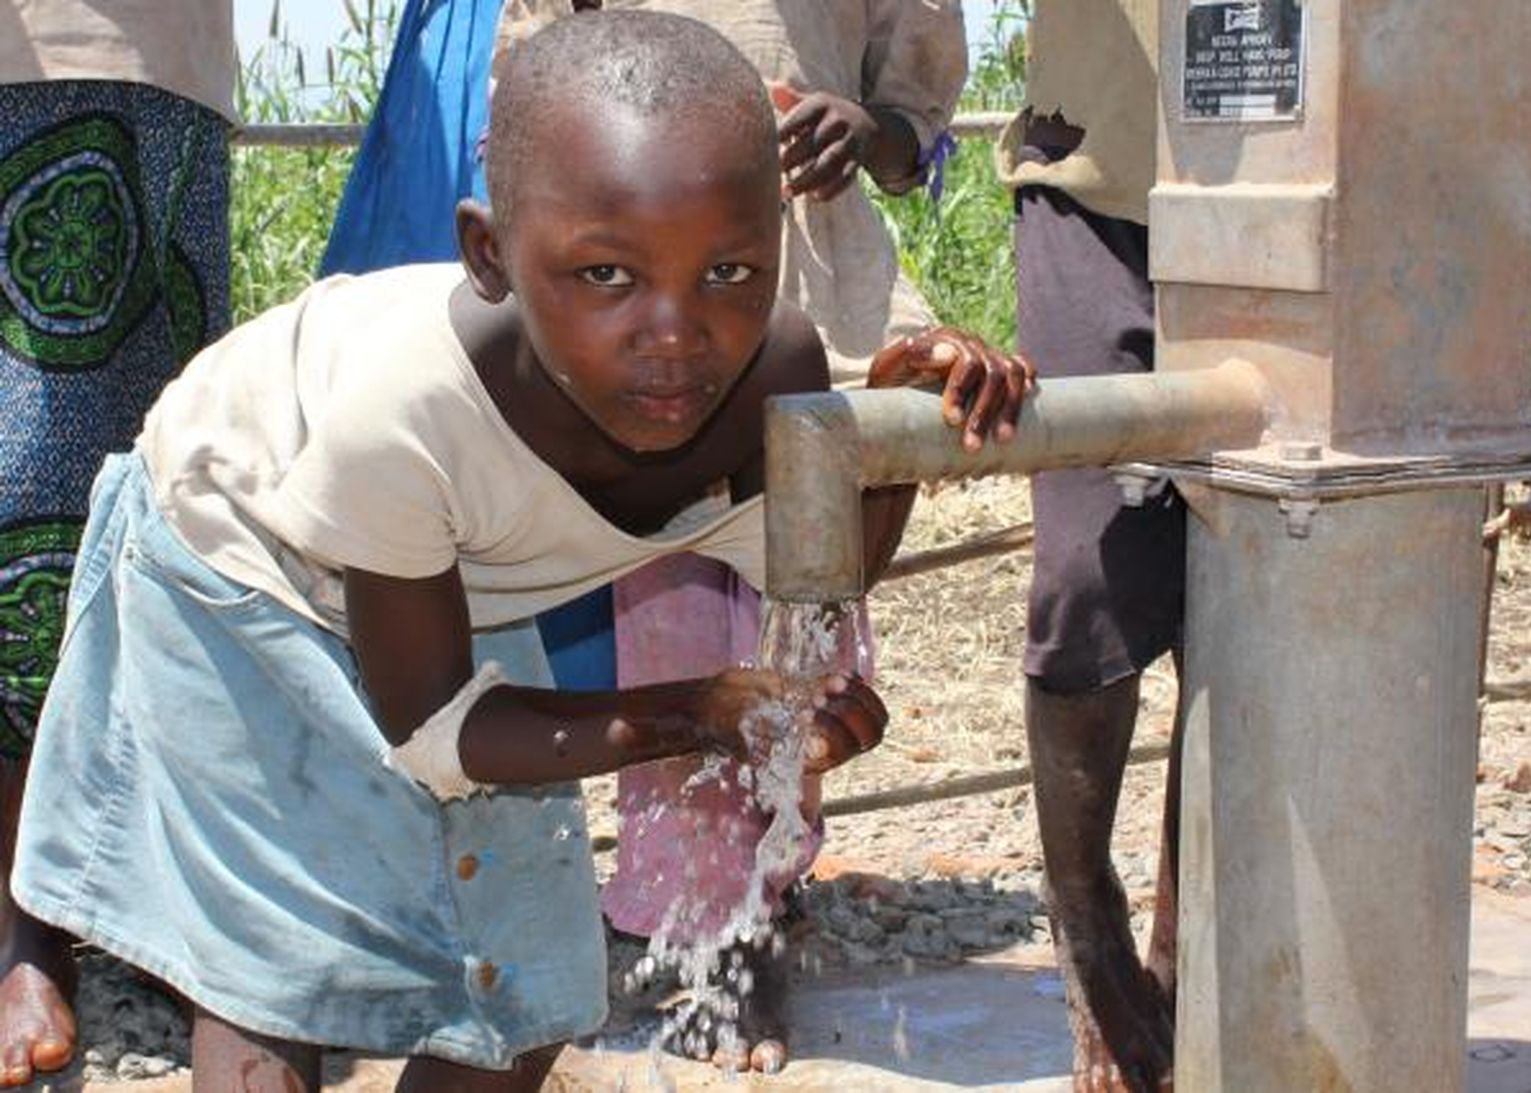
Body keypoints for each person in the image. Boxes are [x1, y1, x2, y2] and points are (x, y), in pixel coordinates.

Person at [9, 11, 1032, 1090]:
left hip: (445, 586)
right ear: (488, 256)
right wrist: (701, 709)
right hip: (234, 551)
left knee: (523, 984)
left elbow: (813, 571)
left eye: (730, 272)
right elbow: (442, 729)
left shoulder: (769, 367)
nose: (675, 330)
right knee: (282, 969)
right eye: (605, 276)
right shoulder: (403, 413)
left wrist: (898, 430)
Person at [492, 1, 968, 1071]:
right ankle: (711, 928)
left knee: (811, 604)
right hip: (646, 279)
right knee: (671, 598)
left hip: (803, 263)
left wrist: (865, 126)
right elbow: (528, 77)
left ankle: (761, 885)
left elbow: (908, 124)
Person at [0, 2, 235, 1085]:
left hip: (151, 59)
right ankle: (26, 924)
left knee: (157, 480)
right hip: (36, 58)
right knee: (24, 496)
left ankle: (123, 898)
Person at [992, 2, 1181, 1090]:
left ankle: (1188, 948)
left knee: (1256, 592)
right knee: (1085, 573)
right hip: (1100, 176)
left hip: (1337, 179)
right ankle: (1084, 917)